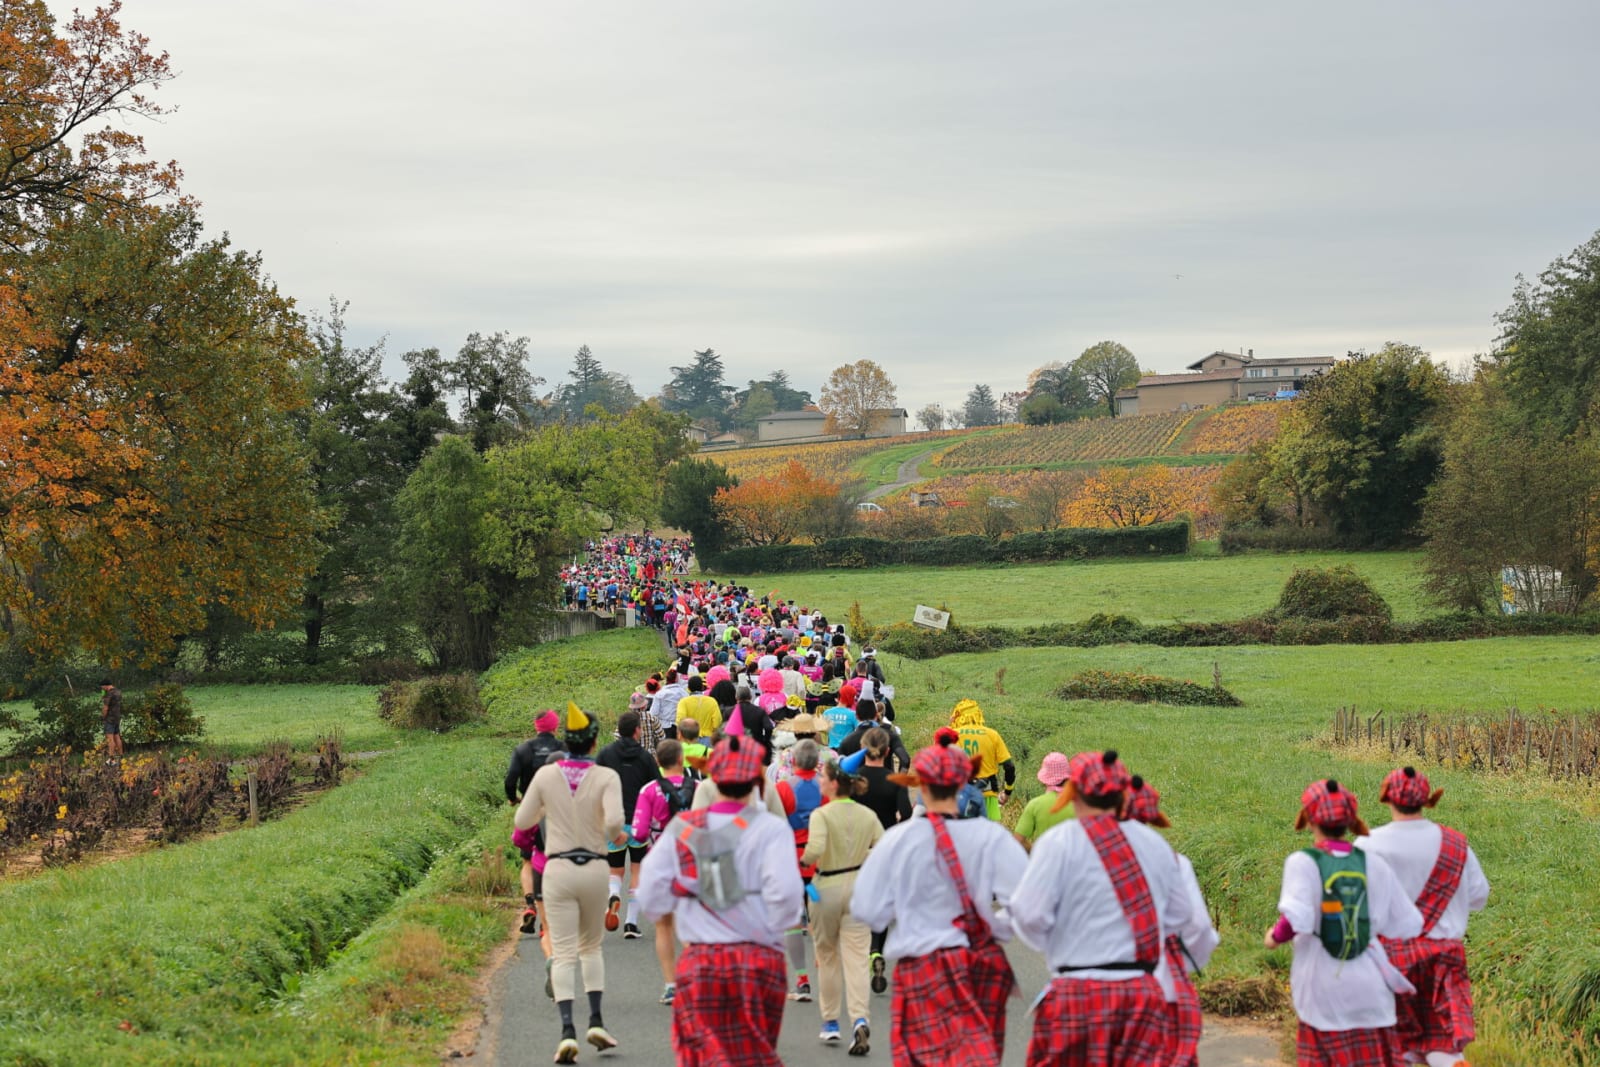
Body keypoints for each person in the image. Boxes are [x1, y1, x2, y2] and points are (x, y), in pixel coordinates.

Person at [851, 732, 1029, 1065]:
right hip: (976, 964)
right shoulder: (991, 837)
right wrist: (996, 925)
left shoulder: (900, 840)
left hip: (921, 965)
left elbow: (867, 908)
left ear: (923, 786)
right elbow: (1028, 903)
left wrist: (901, 906)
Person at [1011, 750, 1190, 1067]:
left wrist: (1058, 945)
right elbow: (1180, 918)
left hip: (1077, 990)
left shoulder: (1058, 842)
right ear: (1122, 794)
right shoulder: (1155, 845)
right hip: (1142, 994)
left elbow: (1028, 915)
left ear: (1074, 792)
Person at [636, 735, 805, 1067]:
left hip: (702, 961)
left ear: (713, 777)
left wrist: (679, 904)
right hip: (759, 962)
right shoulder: (771, 829)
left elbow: (651, 896)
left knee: (703, 1054)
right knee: (753, 1051)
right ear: (756, 780)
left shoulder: (683, 828)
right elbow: (786, 898)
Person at [1264, 779, 1422, 1067]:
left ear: (1309, 819)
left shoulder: (1303, 861)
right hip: (1371, 992)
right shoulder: (1374, 864)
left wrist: (1274, 937)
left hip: (1323, 995)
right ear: (1351, 821)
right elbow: (1409, 924)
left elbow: (1295, 918)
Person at [513, 703, 626, 1064]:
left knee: (562, 951)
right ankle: (596, 1020)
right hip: (594, 866)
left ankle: (566, 1031)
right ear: (593, 744)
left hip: (558, 869)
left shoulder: (546, 777)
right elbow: (614, 826)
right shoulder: (606, 776)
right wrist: (618, 835)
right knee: (591, 948)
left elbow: (523, 818)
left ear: (567, 740)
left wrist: (550, 810)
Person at [1358, 767, 1490, 1067]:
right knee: (1443, 1046)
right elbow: (1479, 895)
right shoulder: (1456, 845)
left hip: (1391, 960)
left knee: (1393, 1044)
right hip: (1444, 958)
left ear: (1386, 797)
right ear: (1428, 799)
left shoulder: (1368, 845)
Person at [1122, 776, 1220, 1067]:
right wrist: (1184, 964)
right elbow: (1198, 927)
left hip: (1101, 989)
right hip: (1163, 985)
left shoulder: (1086, 856)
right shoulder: (1175, 861)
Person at [801, 753, 884, 1055]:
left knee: (827, 956)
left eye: (824, 777)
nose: (821, 781)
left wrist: (803, 859)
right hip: (859, 888)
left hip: (826, 888)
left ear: (835, 783)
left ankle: (831, 1022)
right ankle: (860, 1018)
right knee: (857, 957)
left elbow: (815, 849)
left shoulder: (822, 815)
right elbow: (882, 848)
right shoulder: (867, 815)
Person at [632, 739, 702, 1006]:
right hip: (692, 862)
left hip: (660, 863)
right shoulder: (699, 787)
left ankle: (671, 985)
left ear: (658, 762)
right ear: (682, 760)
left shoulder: (650, 790)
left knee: (663, 926)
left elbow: (638, 833)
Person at [597, 711, 659, 938]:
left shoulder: (605, 754)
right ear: (636, 731)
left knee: (615, 869)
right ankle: (631, 923)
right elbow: (655, 787)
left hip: (613, 821)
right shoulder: (645, 757)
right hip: (639, 823)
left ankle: (614, 894)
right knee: (637, 869)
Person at [505, 710, 567, 935]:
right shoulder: (564, 749)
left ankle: (530, 904)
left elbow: (511, 778)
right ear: (555, 726)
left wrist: (513, 799)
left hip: (531, 807)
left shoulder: (523, 749)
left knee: (528, 860)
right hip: (558, 809)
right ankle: (547, 920)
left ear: (536, 727)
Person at [775, 738, 826, 1002]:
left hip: (792, 864)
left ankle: (802, 979)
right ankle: (823, 967)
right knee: (817, 920)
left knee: (794, 922)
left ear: (792, 761)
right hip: (818, 864)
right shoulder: (826, 788)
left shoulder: (783, 788)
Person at [950, 699, 1016, 819]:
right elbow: (1009, 766)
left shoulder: (950, 735)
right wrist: (1007, 792)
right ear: (978, 714)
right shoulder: (992, 735)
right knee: (988, 835)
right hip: (988, 795)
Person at [1013, 751, 1073, 852]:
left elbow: (1018, 840)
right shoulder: (1080, 804)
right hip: (1075, 864)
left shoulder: (1035, 805)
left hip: (1045, 863)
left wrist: (1035, 853)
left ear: (1044, 778)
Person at [99, 678, 124, 759]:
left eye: (102, 687)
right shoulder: (118, 692)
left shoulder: (109, 694)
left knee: (110, 739)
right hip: (117, 717)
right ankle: (121, 755)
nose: (102, 688)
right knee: (117, 737)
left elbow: (105, 707)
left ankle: (111, 758)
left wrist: (103, 717)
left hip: (109, 718)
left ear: (105, 686)